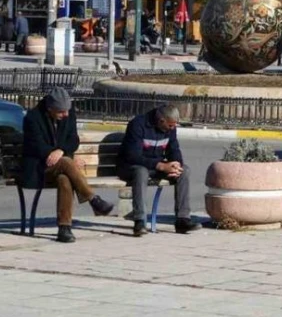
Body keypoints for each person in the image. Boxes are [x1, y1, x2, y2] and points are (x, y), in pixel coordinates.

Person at [21, 87, 114, 243]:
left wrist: (62, 151)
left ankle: (64, 228)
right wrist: (61, 154)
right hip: (39, 167)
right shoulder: (33, 118)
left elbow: (73, 140)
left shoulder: (68, 115)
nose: (65, 115)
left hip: (61, 166)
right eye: (61, 112)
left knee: (65, 179)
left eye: (66, 111)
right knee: (65, 162)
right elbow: (36, 145)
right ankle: (93, 199)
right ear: (50, 109)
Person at [117, 106, 200, 236]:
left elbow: (174, 149)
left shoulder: (170, 128)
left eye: (174, 126)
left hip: (156, 165)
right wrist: (160, 165)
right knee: (141, 172)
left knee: (184, 171)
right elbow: (133, 156)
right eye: (170, 125)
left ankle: (182, 220)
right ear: (161, 120)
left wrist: (176, 164)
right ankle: (139, 221)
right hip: (132, 166)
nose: (172, 128)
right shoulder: (138, 125)